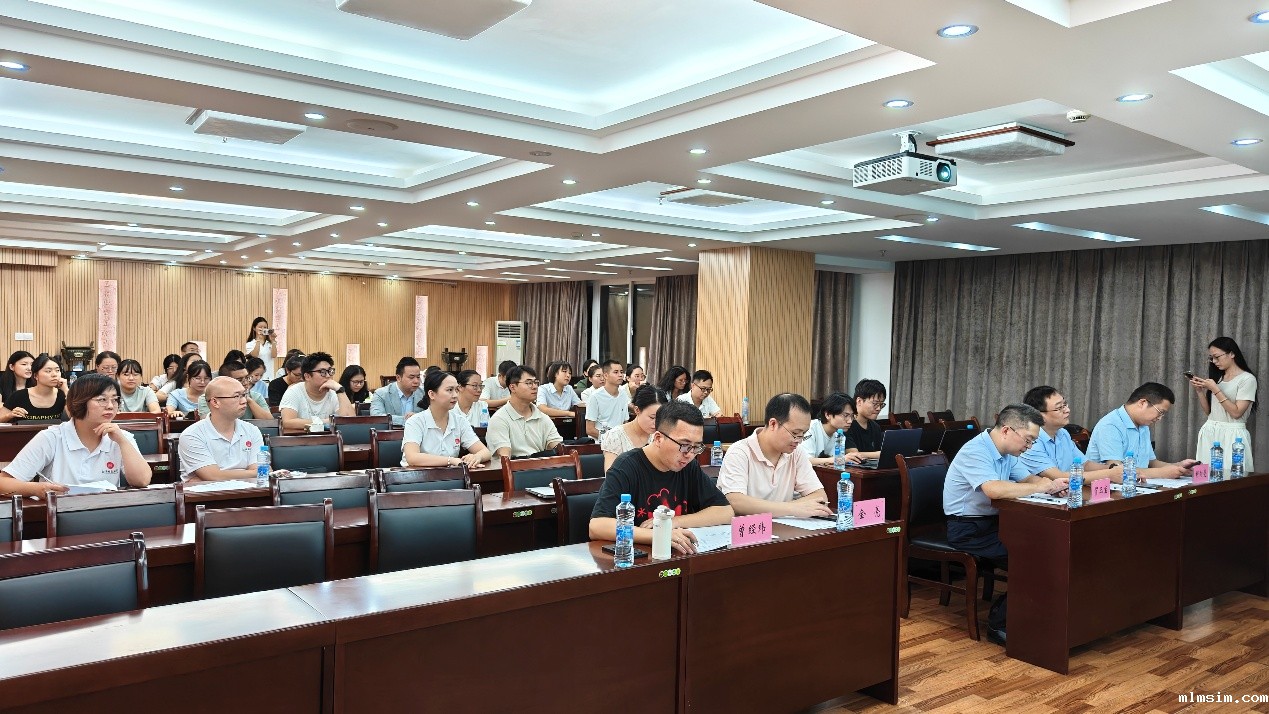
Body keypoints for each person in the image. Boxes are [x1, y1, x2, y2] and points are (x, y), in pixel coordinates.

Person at [943, 404, 1070, 645]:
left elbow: (1028, 478)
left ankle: (1032, 615)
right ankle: (999, 624)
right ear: (1006, 431)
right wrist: (1039, 486)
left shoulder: (1007, 454)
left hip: (996, 523)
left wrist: (1052, 486)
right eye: (1028, 440)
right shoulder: (975, 451)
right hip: (968, 529)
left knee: (1053, 549)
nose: (1029, 446)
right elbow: (993, 489)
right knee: (1033, 559)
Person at [589, 400, 734, 555]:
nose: (690, 454)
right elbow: (597, 526)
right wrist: (659, 534)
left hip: (677, 557)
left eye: (696, 447)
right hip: (637, 559)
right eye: (684, 445)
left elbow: (725, 512)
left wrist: (674, 521)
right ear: (658, 438)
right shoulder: (626, 466)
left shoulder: (688, 466)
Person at [0, 373, 150, 495]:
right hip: (61, 514)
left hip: (107, 513)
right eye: (102, 399)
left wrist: (122, 442)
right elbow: (3, 482)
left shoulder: (120, 437)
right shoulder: (51, 438)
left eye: (115, 400)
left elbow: (142, 481)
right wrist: (38, 489)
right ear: (80, 402)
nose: (111, 406)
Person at [717, 393, 832, 518]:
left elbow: (820, 497)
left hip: (784, 527)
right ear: (773, 424)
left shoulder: (796, 453)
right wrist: (792, 508)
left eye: (803, 434)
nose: (799, 441)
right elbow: (735, 501)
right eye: (795, 433)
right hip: (749, 528)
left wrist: (788, 508)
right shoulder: (739, 452)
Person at [1086, 383, 1197, 480]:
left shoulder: (1143, 426)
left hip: (1138, 484)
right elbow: (1118, 470)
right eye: (1160, 412)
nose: (1160, 418)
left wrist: (1178, 467)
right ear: (1142, 403)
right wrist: (1162, 473)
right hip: (1109, 489)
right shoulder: (1110, 425)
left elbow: (1150, 462)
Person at [1020, 386, 1120, 481]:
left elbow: (1085, 465)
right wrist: (1110, 474)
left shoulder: (1063, 433)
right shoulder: (1030, 441)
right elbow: (1058, 476)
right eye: (1059, 408)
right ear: (1039, 415)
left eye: (1065, 404)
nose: (1067, 410)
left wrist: (1114, 468)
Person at [180, 376, 265, 482]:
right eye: (236, 396)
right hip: (208, 492)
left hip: (250, 490)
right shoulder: (192, 435)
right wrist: (252, 473)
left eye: (244, 395)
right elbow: (212, 476)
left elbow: (260, 471)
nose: (244, 401)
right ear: (215, 402)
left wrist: (221, 475)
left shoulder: (252, 430)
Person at [1190, 337, 1257, 470]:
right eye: (1211, 358)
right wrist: (1199, 391)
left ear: (1231, 354)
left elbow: (1236, 413)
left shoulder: (1247, 379)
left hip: (1233, 435)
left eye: (1217, 357)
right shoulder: (1219, 377)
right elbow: (1209, 412)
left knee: (1233, 475)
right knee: (1206, 475)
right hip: (1210, 430)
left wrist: (1215, 389)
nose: (1214, 361)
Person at [402, 370, 491, 468]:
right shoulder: (415, 422)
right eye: (449, 390)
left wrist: (477, 457)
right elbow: (412, 458)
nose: (455, 395)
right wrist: (451, 460)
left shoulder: (460, 421)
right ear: (432, 394)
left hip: (448, 476)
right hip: (416, 475)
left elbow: (485, 452)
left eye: (456, 390)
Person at [485, 365, 563, 458]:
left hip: (540, 465)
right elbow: (504, 457)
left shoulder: (542, 417)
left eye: (536, 382)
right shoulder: (499, 419)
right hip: (514, 466)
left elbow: (558, 447)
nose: (535, 387)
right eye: (529, 383)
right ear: (512, 387)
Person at [278, 351, 354, 433]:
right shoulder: (294, 392)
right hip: (301, 439)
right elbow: (287, 422)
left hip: (329, 439)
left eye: (330, 371)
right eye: (322, 372)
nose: (328, 376)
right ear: (307, 376)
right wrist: (325, 422)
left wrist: (340, 390)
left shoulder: (334, 392)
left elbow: (350, 421)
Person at [603, 385, 669, 471]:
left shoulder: (660, 436)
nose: (656, 423)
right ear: (637, 410)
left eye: (660, 418)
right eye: (652, 417)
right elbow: (611, 475)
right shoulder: (615, 436)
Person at [0, 353, 67, 423]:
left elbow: (72, 418)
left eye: (57, 370)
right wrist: (9, 415)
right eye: (48, 371)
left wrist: (66, 391)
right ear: (35, 376)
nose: (54, 374)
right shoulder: (19, 396)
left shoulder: (62, 395)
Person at [196, 362, 272, 420]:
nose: (246, 383)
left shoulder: (256, 396)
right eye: (240, 380)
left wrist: (249, 400)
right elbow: (208, 423)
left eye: (247, 378)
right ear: (224, 381)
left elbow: (269, 422)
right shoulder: (208, 398)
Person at [802, 392, 857, 467]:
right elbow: (805, 460)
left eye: (852, 416)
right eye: (845, 415)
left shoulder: (839, 435)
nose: (850, 421)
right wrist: (839, 459)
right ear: (827, 414)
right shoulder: (810, 428)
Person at [370, 357, 422, 426]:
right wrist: (409, 420)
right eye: (411, 377)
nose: (416, 381)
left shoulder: (424, 393)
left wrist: (419, 418)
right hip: (392, 433)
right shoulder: (381, 394)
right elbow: (376, 417)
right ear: (398, 378)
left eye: (418, 377)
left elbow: (433, 417)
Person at [585, 360, 630, 438]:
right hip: (600, 441)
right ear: (605, 375)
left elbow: (625, 423)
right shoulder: (595, 396)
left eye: (621, 372)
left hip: (619, 439)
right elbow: (590, 429)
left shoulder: (623, 394)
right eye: (616, 372)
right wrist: (609, 438)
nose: (620, 375)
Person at [846, 379, 887, 462]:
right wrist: (884, 454)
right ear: (859, 401)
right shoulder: (846, 424)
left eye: (881, 404)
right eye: (875, 404)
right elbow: (853, 455)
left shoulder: (875, 427)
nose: (878, 408)